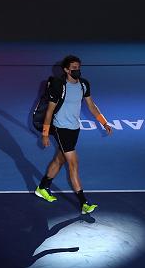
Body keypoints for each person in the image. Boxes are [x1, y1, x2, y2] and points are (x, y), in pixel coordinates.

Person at [34, 55, 113, 214]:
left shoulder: (83, 84)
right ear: (66, 70)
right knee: (73, 163)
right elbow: (49, 111)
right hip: (61, 128)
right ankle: (84, 203)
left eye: (79, 67)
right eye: (74, 68)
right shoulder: (59, 85)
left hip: (74, 128)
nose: (77, 70)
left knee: (60, 159)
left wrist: (103, 122)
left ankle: (42, 187)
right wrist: (45, 134)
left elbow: (91, 105)